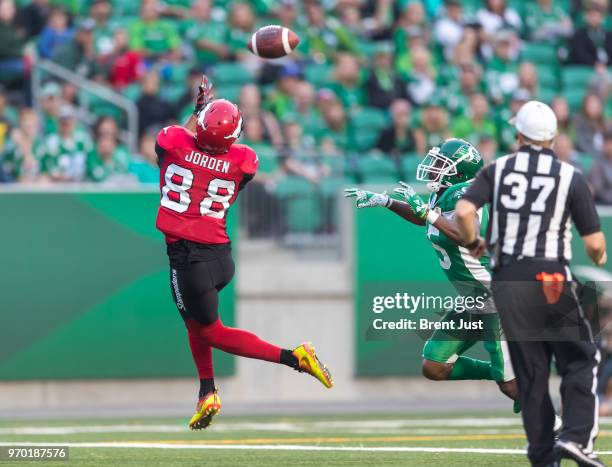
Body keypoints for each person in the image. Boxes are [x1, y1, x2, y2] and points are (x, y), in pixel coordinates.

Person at [154, 76, 333, 430]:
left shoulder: (173, 140)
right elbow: (223, 150)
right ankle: (207, 391)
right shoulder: (244, 160)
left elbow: (184, 140)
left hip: (189, 259)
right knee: (197, 323)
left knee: (210, 332)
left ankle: (294, 357)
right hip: (219, 256)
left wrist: (199, 110)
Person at [455, 100, 607, 467]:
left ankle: (542, 456)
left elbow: (463, 211)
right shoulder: (569, 175)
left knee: (532, 372)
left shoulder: (498, 169)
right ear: (553, 137)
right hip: (550, 277)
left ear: (519, 135)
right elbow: (595, 244)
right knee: (581, 359)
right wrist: (599, 258)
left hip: (507, 281)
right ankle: (575, 437)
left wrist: (475, 241)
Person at [344, 138, 520, 413]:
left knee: (511, 387)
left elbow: (465, 233)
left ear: (459, 171)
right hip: (474, 299)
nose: (434, 167)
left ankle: (557, 424)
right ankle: (509, 373)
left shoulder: (467, 193)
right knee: (435, 366)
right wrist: (386, 201)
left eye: (441, 164)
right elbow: (424, 218)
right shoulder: (446, 193)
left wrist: (427, 213)